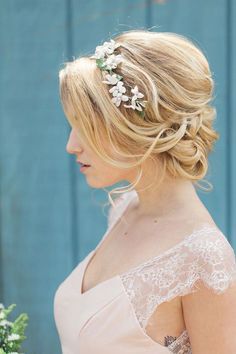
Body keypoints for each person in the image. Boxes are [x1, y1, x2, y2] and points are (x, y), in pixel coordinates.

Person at [54, 29, 236, 354]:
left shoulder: (205, 261)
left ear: (136, 128)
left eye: (86, 126)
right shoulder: (124, 209)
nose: (71, 145)